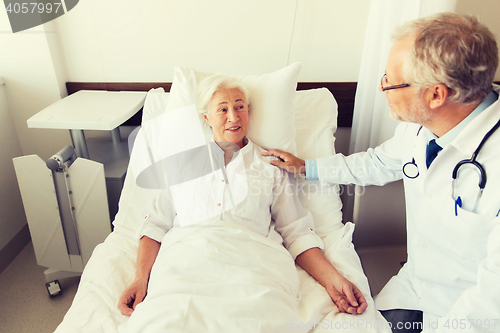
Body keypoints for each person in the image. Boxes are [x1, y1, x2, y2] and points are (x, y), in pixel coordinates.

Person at [263, 12, 500, 333]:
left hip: (477, 310)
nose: (381, 87)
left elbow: (492, 296)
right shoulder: (423, 126)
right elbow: (378, 163)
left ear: (436, 95)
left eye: (391, 79)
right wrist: (307, 167)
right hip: (416, 288)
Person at [117, 74, 367, 326]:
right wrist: (140, 278)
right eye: (223, 109)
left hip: (255, 268)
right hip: (186, 264)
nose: (234, 117)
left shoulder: (271, 165)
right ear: (206, 117)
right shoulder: (182, 163)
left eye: (240, 107)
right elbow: (155, 224)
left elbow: (296, 232)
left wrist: (333, 280)